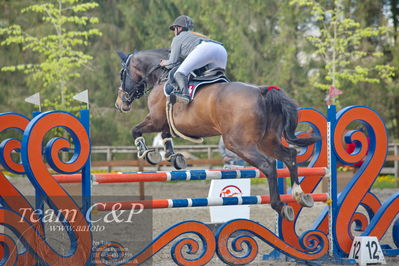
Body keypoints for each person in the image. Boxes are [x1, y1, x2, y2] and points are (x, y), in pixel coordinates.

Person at [160, 15, 228, 104]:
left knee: (179, 73)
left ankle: (185, 95)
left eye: (174, 29)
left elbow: (172, 62)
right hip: (221, 50)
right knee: (218, 81)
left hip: (205, 49)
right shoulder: (194, 36)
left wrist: (164, 63)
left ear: (179, 28)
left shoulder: (177, 38)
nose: (174, 32)